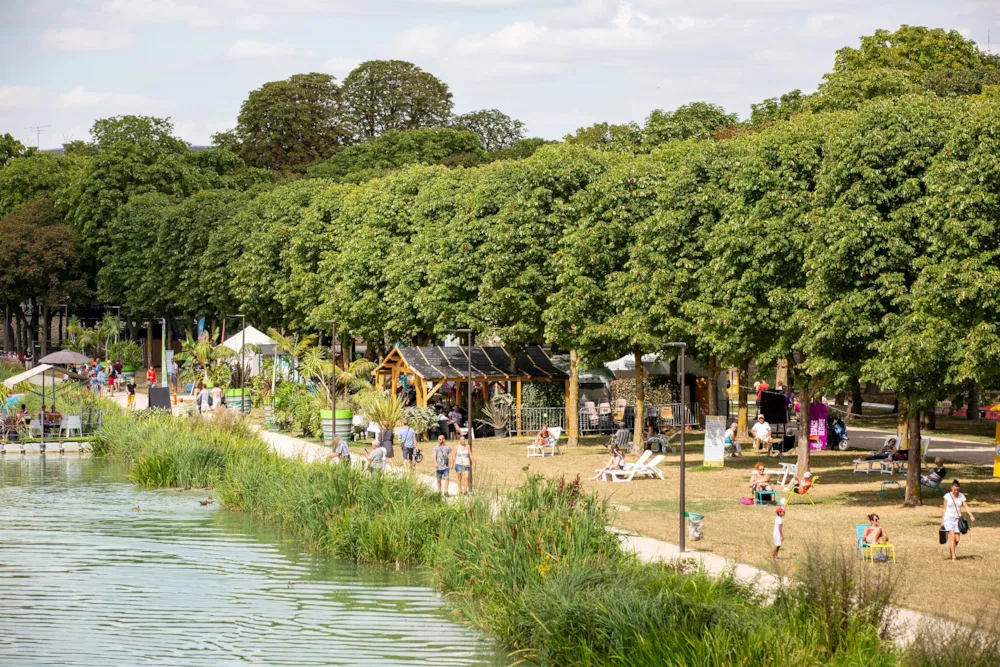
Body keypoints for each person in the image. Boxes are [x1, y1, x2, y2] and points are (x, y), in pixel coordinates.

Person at [941, 479, 975, 561]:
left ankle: (951, 549)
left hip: (957, 519)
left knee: (957, 539)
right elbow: (944, 509)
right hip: (948, 518)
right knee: (952, 537)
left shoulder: (961, 496)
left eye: (957, 490)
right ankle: (953, 556)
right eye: (954, 490)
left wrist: (971, 515)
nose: (956, 491)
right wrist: (942, 520)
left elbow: (966, 506)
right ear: (951, 488)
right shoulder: (947, 496)